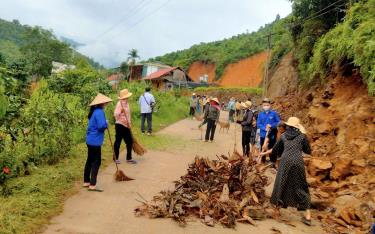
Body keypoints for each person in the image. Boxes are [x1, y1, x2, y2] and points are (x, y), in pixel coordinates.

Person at [259, 117, 312, 226]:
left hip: (285, 161)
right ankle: (308, 215)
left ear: (288, 126)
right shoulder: (302, 137)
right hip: (298, 162)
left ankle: (277, 210)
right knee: (301, 186)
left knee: (281, 184)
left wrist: (263, 154)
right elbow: (308, 151)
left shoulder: (283, 136)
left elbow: (274, 150)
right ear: (297, 127)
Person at [84, 93, 112, 192]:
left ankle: (86, 181)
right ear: (102, 103)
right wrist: (106, 123)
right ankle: (92, 185)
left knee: (90, 160)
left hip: (90, 140)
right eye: (105, 103)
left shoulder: (94, 111)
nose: (106, 104)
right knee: (97, 161)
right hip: (95, 141)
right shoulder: (99, 112)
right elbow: (101, 126)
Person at [114, 89, 137, 164]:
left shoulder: (127, 103)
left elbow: (128, 115)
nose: (127, 98)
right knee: (118, 141)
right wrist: (120, 111)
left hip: (126, 125)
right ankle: (115, 158)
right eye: (126, 96)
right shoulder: (119, 103)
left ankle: (129, 158)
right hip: (120, 125)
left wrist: (129, 124)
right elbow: (116, 114)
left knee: (129, 141)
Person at [257, 98, 280, 163]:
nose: (266, 106)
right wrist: (264, 128)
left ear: (270, 105)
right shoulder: (260, 114)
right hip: (263, 134)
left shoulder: (274, 113)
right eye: (264, 105)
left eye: (267, 105)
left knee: (271, 148)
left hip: (272, 135)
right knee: (262, 147)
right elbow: (258, 124)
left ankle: (272, 162)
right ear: (262, 106)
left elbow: (278, 122)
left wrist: (271, 126)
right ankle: (262, 161)